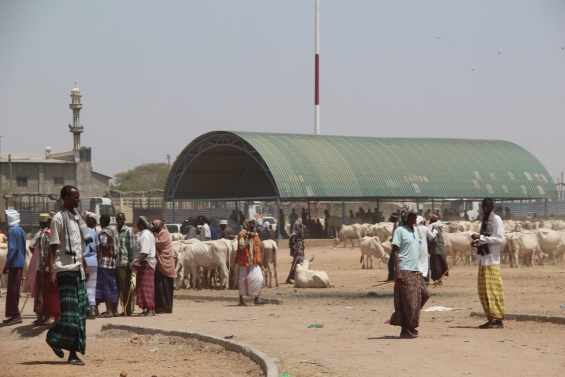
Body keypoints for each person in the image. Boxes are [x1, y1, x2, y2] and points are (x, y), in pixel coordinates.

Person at [46, 185, 92, 365]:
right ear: (66, 199)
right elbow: (52, 247)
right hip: (64, 269)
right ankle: (53, 337)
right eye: (75, 197)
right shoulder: (58, 219)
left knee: (81, 312)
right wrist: (51, 272)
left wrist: (85, 264)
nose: (79, 200)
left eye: (78, 197)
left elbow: (79, 246)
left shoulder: (78, 219)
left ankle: (74, 352)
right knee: (70, 313)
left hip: (78, 268)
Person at [389, 205, 429, 338]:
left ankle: (409, 323)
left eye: (416, 215)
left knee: (424, 295)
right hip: (404, 270)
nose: (415, 217)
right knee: (409, 302)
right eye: (412, 215)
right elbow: (395, 252)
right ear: (406, 217)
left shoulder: (416, 230)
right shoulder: (399, 231)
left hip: (415, 270)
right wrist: (397, 272)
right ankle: (405, 329)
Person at [471, 198, 506, 329]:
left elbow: (499, 239)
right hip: (483, 259)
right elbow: (486, 239)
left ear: (492, 207)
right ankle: (491, 318)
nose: (485, 208)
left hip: (492, 260)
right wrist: (478, 243)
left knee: (493, 289)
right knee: (483, 290)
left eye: (487, 206)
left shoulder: (496, 220)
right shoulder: (484, 221)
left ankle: (498, 319)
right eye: (483, 206)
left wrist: (481, 237)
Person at [2, 209, 27, 325]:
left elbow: (12, 249)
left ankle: (16, 315)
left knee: (12, 290)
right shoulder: (21, 230)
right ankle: (14, 315)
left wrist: (7, 265)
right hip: (20, 262)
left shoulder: (12, 231)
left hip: (14, 264)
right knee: (14, 290)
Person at [24, 213, 49, 325]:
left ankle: (40, 316)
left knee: (40, 291)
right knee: (48, 290)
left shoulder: (40, 234)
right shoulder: (52, 233)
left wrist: (37, 255)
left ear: (40, 223)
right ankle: (47, 316)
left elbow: (31, 246)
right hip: (50, 267)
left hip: (41, 267)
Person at [95, 214, 120, 318]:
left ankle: (109, 311)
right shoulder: (114, 230)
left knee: (106, 287)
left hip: (105, 262)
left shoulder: (104, 232)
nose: (100, 223)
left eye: (100, 221)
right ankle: (114, 310)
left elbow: (103, 244)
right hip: (113, 263)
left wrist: (102, 250)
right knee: (112, 286)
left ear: (104, 221)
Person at [236, 219, 264, 306]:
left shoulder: (256, 235)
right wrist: (248, 239)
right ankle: (241, 299)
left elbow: (257, 248)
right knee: (243, 280)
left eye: (253, 223)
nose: (252, 225)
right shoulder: (242, 235)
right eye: (250, 223)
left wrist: (259, 260)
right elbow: (241, 246)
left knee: (259, 279)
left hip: (254, 261)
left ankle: (257, 298)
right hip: (244, 261)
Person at [132, 216, 157, 317]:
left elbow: (145, 251)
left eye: (138, 223)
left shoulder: (145, 235)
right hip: (145, 263)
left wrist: (138, 261)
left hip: (146, 263)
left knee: (146, 287)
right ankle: (148, 308)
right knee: (144, 287)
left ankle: (149, 309)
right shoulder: (146, 234)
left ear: (141, 225)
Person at [152, 219, 177, 314]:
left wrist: (153, 236)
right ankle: (161, 306)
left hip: (165, 264)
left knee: (163, 286)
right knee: (160, 286)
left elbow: (158, 243)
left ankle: (165, 307)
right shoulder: (161, 233)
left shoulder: (164, 233)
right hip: (161, 263)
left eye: (155, 226)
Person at [40, 212, 61, 325]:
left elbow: (44, 254)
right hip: (60, 266)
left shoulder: (47, 234)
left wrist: (43, 268)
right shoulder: (58, 233)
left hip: (51, 268)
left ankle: (56, 319)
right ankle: (57, 318)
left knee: (53, 294)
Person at [116, 212, 135, 316]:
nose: (119, 221)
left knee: (126, 288)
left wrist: (131, 264)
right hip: (115, 264)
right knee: (118, 288)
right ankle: (118, 309)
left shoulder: (129, 231)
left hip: (124, 263)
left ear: (124, 219)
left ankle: (127, 310)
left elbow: (131, 249)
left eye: (121, 219)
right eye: (118, 219)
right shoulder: (115, 231)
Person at [82, 212, 100, 318]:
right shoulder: (94, 233)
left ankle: (86, 309)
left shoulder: (81, 232)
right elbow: (98, 248)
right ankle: (93, 309)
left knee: (84, 286)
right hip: (94, 261)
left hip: (84, 262)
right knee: (92, 286)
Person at [427, 214, 448, 284]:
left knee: (436, 265)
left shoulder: (434, 227)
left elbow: (434, 240)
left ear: (432, 220)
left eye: (430, 219)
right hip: (440, 248)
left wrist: (428, 246)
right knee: (439, 264)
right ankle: (439, 280)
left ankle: (439, 280)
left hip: (436, 249)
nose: (429, 220)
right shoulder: (439, 227)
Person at [416, 216, 433, 284]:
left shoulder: (414, 228)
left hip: (416, 248)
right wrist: (435, 230)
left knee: (417, 263)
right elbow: (432, 236)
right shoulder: (425, 228)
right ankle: (425, 279)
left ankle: (417, 278)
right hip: (424, 249)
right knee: (425, 263)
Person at [386, 213, 399, 281]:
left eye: (391, 217)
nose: (390, 218)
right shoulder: (395, 225)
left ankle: (391, 276)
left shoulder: (397, 225)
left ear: (394, 218)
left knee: (391, 262)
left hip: (396, 246)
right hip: (395, 244)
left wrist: (394, 239)